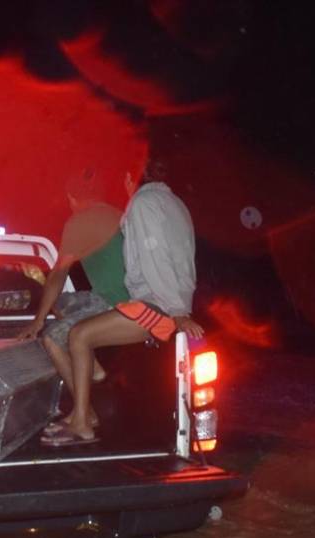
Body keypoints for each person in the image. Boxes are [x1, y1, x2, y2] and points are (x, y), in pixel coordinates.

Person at [43, 160, 206, 447]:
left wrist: (177, 312)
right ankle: (83, 408)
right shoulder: (174, 203)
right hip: (166, 301)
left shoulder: (143, 204)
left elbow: (156, 258)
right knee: (80, 332)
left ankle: (82, 422)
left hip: (158, 304)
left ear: (132, 177)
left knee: (79, 335)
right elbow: (181, 260)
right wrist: (182, 305)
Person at [18, 170, 125, 433]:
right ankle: (94, 367)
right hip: (116, 295)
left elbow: (58, 275)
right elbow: (57, 288)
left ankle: (84, 414)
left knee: (53, 338)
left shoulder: (79, 221)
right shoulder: (117, 213)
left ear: (71, 198)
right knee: (63, 302)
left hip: (115, 301)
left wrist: (38, 321)